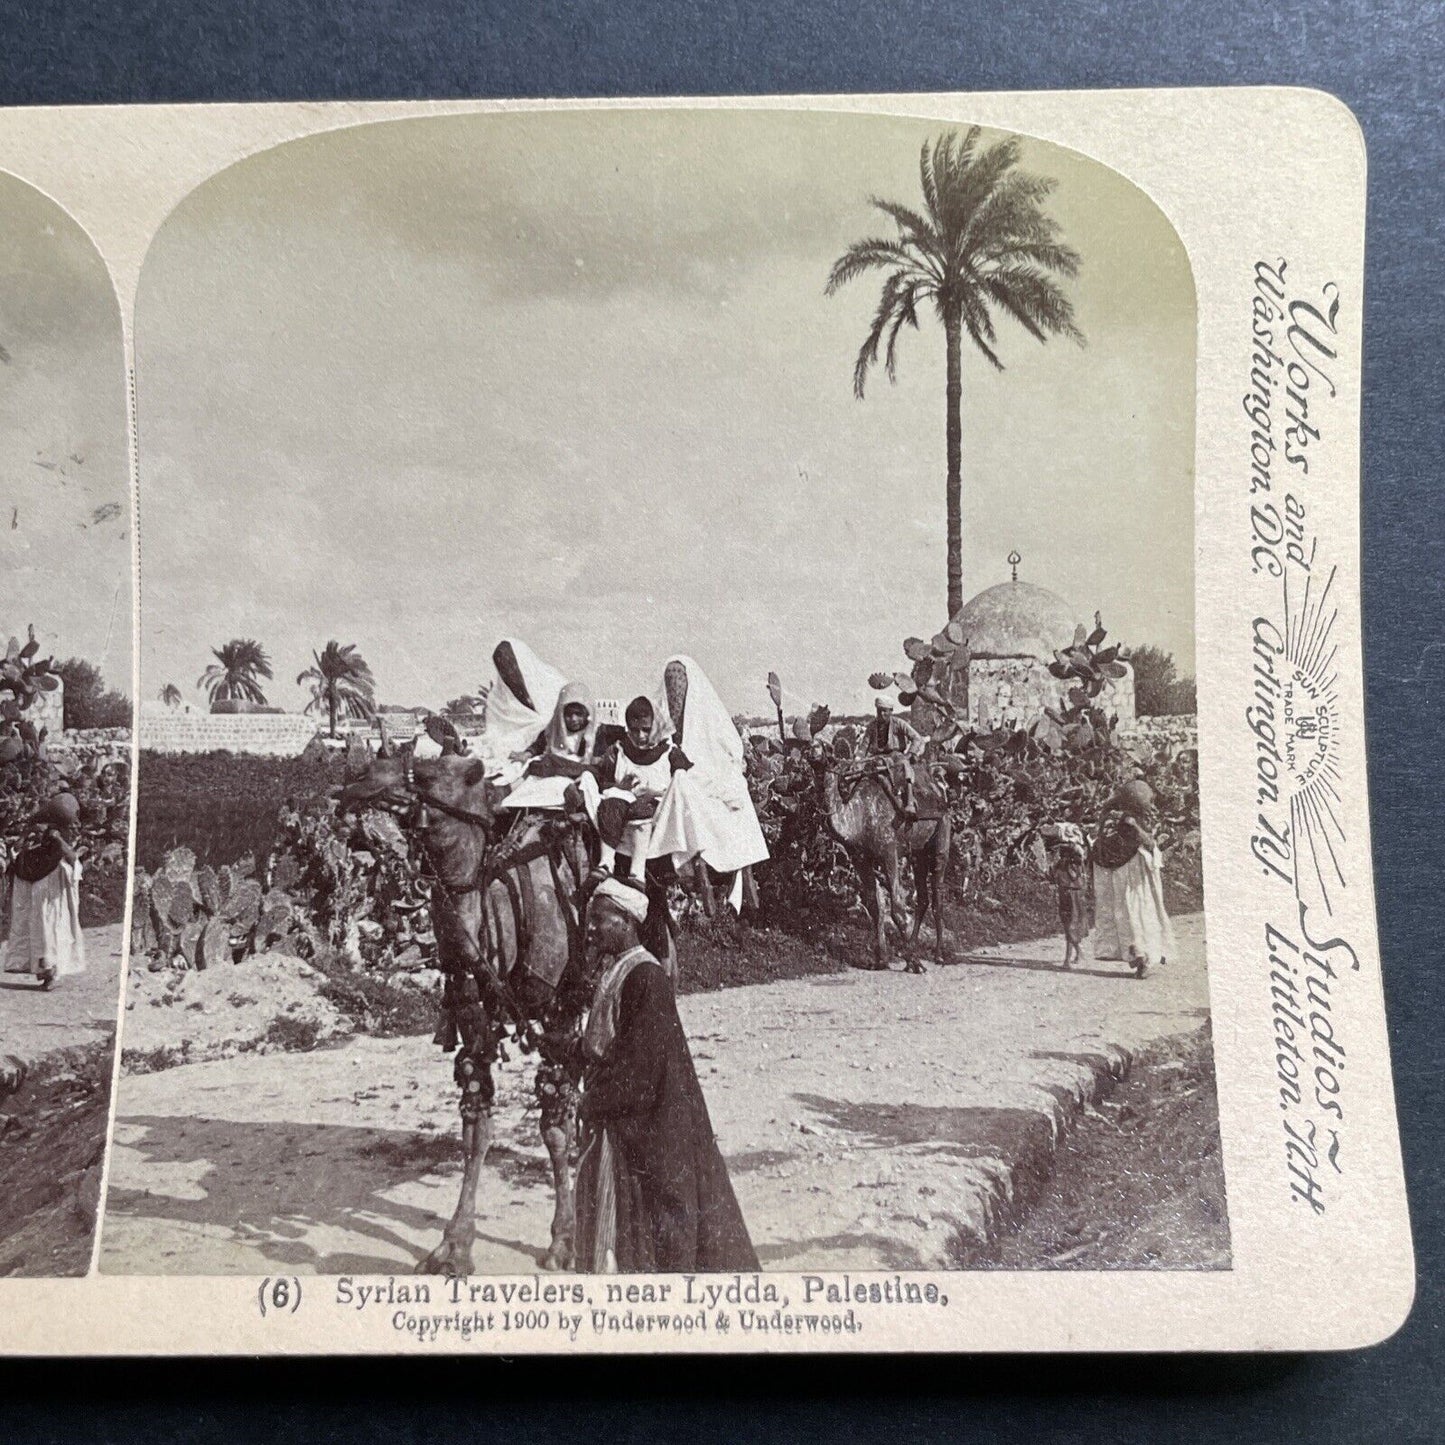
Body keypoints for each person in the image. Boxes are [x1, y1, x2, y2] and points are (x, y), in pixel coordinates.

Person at [574, 876, 758, 1273]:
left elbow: (641, 1069)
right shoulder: (621, 970)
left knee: (662, 1225)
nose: (591, 928)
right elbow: (614, 1043)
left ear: (625, 921)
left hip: (656, 1120)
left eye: (599, 919)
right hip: (635, 1111)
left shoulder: (647, 977)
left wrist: (592, 1100)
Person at [644, 655, 769, 896]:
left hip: (706, 779)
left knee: (693, 788)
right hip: (670, 782)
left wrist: (696, 770)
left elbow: (725, 755)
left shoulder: (708, 718)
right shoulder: (659, 718)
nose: (675, 694)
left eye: (680, 685)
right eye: (671, 686)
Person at [590, 696, 692, 883]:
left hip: (659, 812)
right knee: (611, 804)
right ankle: (606, 863)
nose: (640, 736)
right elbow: (602, 784)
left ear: (656, 726)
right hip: (620, 815)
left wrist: (655, 793)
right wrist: (619, 787)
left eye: (646, 730)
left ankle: (637, 872)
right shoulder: (618, 751)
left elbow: (684, 784)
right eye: (634, 730)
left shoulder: (670, 753)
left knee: (641, 809)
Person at [1091, 780, 1176, 978]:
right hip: (1130, 877)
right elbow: (1148, 843)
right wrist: (1137, 828)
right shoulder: (1130, 821)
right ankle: (1141, 956)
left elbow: (1100, 844)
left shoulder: (1109, 818)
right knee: (1136, 914)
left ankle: (1138, 956)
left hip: (1117, 873)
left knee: (1126, 914)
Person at [2, 793, 86, 989]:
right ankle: (44, 970)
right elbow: (17, 853)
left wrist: (57, 840)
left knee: (51, 928)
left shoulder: (65, 841)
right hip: (38, 889)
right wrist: (26, 834)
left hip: (53, 893)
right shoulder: (39, 837)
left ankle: (51, 972)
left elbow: (73, 859)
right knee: (37, 927)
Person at [866, 696, 927, 817]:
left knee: (904, 765)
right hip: (878, 757)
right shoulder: (872, 726)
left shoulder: (898, 723)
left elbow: (916, 737)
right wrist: (857, 759)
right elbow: (864, 744)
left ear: (890, 711)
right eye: (879, 711)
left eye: (885, 711)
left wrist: (910, 754)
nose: (882, 714)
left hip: (895, 755)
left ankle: (910, 801)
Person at [1043, 821, 1090, 968]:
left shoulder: (1076, 854)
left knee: (1071, 923)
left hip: (1072, 890)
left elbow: (1080, 857)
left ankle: (1068, 959)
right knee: (1069, 922)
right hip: (1068, 889)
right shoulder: (1064, 857)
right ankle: (1076, 952)